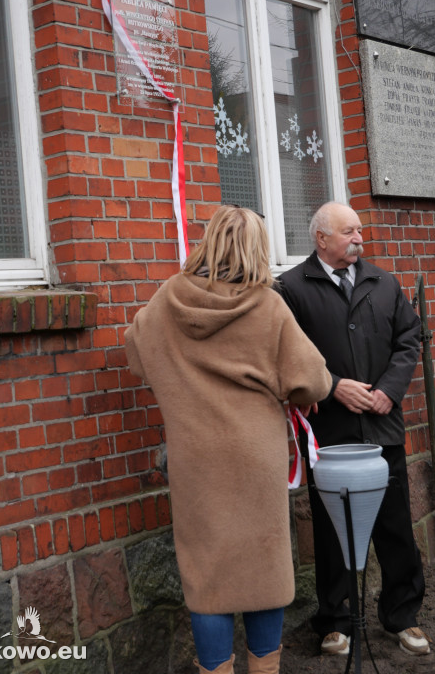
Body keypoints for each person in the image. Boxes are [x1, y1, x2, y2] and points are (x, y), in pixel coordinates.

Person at [125, 205, 332, 674]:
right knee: (263, 570)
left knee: (208, 579)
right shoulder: (267, 305)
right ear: (257, 248)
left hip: (195, 461)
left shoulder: (167, 300)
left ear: (208, 240)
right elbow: (314, 381)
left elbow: (135, 353)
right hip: (255, 459)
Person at [277, 201, 430, 657]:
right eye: (348, 231)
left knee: (395, 525)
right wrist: (333, 387)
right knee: (330, 530)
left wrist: (389, 390)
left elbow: (408, 340)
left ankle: (402, 616)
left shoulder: (384, 283)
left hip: (383, 428)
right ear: (321, 238)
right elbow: (288, 356)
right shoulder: (291, 289)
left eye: (360, 231)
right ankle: (335, 620)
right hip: (331, 434)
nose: (359, 238)